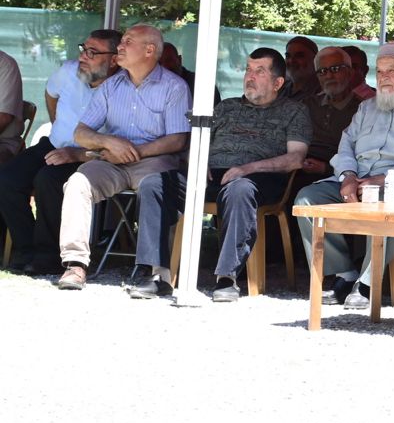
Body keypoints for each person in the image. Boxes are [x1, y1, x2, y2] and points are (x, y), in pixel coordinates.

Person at [295, 44, 394, 308]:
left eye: (392, 71)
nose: (383, 78)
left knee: (386, 202)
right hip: (358, 180)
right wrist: (347, 175)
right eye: (380, 72)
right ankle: (342, 273)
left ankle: (368, 281)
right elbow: (345, 144)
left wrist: (382, 180)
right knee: (307, 200)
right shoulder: (367, 107)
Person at [142, 49, 309, 301]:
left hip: (259, 178)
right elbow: (192, 146)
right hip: (209, 175)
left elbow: (296, 158)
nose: (249, 77)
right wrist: (198, 160)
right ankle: (159, 275)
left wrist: (248, 168)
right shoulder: (226, 107)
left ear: (278, 83)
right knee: (154, 184)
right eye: (248, 70)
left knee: (240, 189)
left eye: (259, 71)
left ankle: (226, 278)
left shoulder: (294, 111)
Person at [54, 24, 193, 295]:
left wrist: (136, 151)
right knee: (77, 183)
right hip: (112, 162)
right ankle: (75, 264)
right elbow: (81, 133)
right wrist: (109, 142)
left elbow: (178, 140)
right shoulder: (111, 86)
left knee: (157, 186)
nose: (120, 46)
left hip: (154, 161)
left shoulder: (174, 87)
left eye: (128, 42)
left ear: (149, 51)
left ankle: (158, 275)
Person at [1, 30, 118, 272]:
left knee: (48, 180)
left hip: (90, 155)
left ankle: (48, 256)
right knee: (7, 179)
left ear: (114, 59)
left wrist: (79, 152)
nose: (83, 56)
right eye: (83, 49)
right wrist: (57, 123)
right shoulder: (68, 71)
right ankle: (25, 249)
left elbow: (117, 139)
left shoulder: (121, 89)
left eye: (92, 52)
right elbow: (50, 93)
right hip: (54, 143)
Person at [298, 46, 364, 177]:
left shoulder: (363, 110)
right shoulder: (307, 105)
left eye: (335, 69)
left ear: (349, 73)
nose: (328, 76)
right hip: (299, 167)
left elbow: (364, 157)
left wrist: (326, 169)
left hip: (340, 174)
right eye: (322, 71)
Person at [282, 36, 320, 102]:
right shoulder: (281, 88)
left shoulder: (321, 94)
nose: (291, 61)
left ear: (315, 60)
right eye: (288, 56)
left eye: (299, 56)